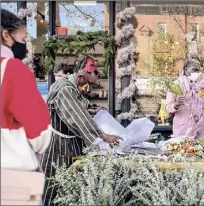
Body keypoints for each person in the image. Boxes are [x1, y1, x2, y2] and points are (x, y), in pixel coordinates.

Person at [41, 55, 121, 205]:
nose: (89, 89)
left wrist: (93, 111)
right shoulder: (65, 89)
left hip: (72, 144)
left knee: (74, 193)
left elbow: (78, 110)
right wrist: (103, 136)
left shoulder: (72, 87)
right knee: (57, 190)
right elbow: (77, 117)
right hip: (59, 147)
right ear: (82, 77)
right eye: (89, 85)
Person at [1, 8, 52, 203]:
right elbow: (40, 133)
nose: (25, 47)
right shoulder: (12, 70)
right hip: (11, 178)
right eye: (23, 40)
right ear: (6, 35)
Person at [165, 59, 204, 139]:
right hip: (182, 129)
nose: (196, 73)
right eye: (194, 70)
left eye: (198, 71)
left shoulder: (202, 86)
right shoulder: (175, 85)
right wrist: (176, 104)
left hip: (199, 129)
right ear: (186, 69)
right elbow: (167, 108)